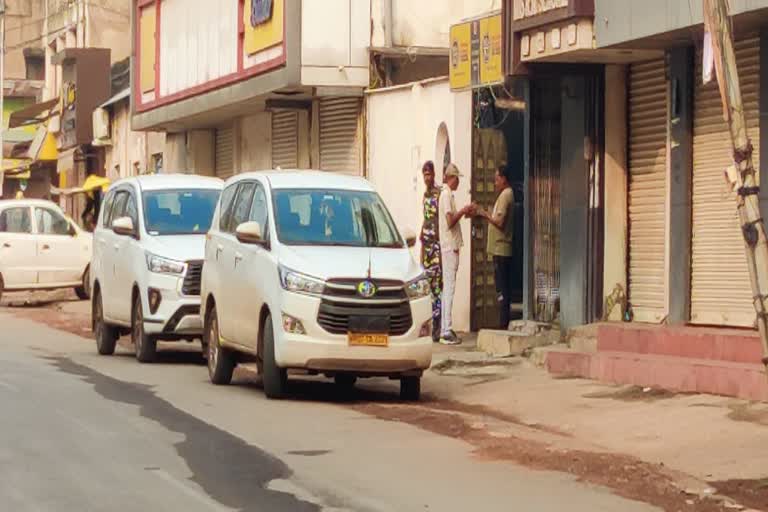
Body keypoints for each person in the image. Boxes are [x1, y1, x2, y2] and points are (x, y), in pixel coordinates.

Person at [438, 163, 475, 345]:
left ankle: (446, 326)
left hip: (449, 246)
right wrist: (462, 211)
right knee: (450, 288)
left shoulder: (447, 195)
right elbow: (450, 221)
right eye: (457, 178)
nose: (458, 181)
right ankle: (446, 329)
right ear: (451, 178)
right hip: (449, 246)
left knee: (448, 288)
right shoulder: (446, 196)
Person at [477, 165, 515, 329]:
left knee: (502, 288)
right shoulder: (505, 195)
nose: (495, 182)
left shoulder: (506, 195)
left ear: (504, 178)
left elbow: (499, 222)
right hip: (499, 248)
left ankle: (503, 322)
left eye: (497, 178)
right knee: (502, 286)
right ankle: (503, 320)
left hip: (501, 248)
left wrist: (484, 213)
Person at [419, 161, 442, 342]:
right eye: (424, 174)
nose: (427, 177)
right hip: (425, 246)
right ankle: (427, 327)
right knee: (426, 288)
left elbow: (439, 220)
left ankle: (438, 326)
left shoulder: (439, 194)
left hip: (436, 246)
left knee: (437, 288)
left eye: (429, 174)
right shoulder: (425, 195)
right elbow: (425, 219)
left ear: (434, 174)